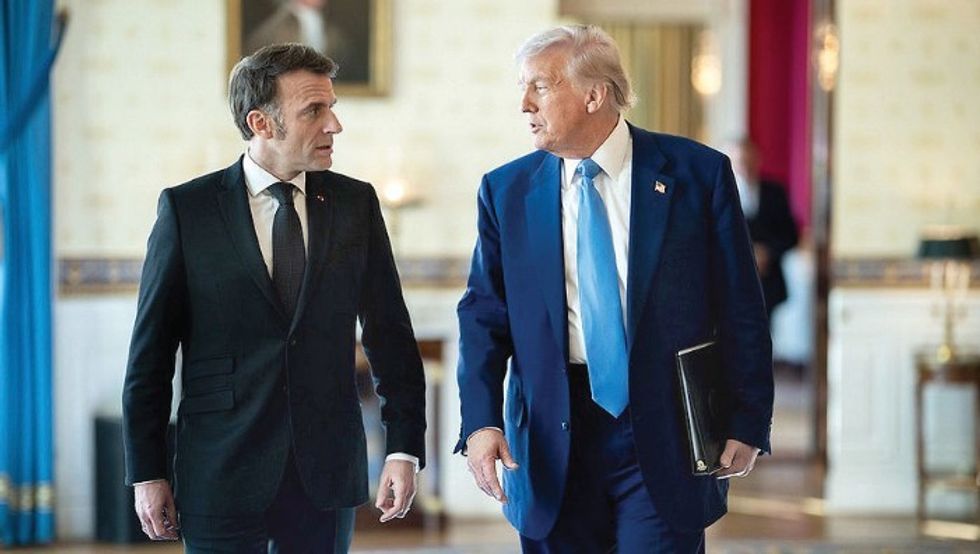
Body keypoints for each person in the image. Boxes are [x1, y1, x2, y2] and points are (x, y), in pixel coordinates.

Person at [456, 25, 773, 552]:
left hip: (668, 430)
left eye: (540, 86)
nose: (524, 104)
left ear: (594, 95)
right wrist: (480, 423)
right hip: (551, 437)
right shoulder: (505, 190)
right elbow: (483, 317)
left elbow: (740, 306)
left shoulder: (699, 174)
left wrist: (748, 418)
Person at [122, 43, 426, 553]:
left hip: (325, 472)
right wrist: (147, 472)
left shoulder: (356, 204)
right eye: (314, 110)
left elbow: (390, 336)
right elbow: (149, 358)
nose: (335, 125)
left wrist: (404, 448)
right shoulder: (187, 211)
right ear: (260, 122)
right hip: (220, 470)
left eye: (332, 107)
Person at [726, 137, 799, 317]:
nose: (745, 167)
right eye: (740, 162)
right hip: (731, 280)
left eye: (749, 161)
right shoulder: (722, 193)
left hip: (767, 283)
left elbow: (790, 235)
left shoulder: (774, 192)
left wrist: (767, 252)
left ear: (758, 160)